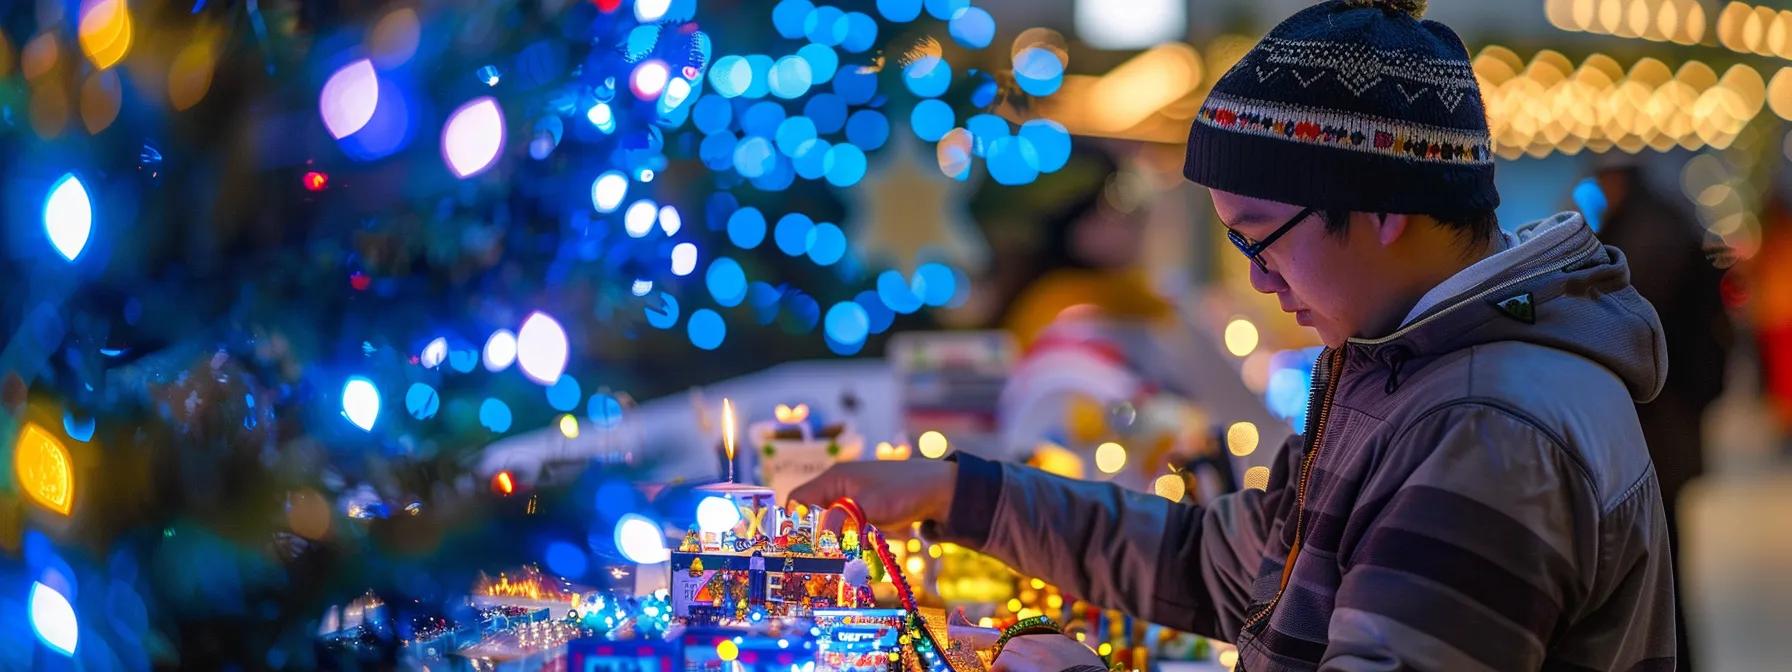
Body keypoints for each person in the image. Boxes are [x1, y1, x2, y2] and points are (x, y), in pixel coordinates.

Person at [795, 1, 1677, 670]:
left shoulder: (1488, 429)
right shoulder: (1401, 364)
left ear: (1378, 211)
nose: (1257, 275)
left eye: (1261, 236)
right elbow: (1228, 567)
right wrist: (952, 491)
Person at [1594, 162, 1733, 672]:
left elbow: (1627, 328)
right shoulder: (1666, 223)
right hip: (1672, 423)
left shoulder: (1643, 236)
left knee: (1657, 564)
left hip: (1657, 425)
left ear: (1618, 181)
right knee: (1663, 560)